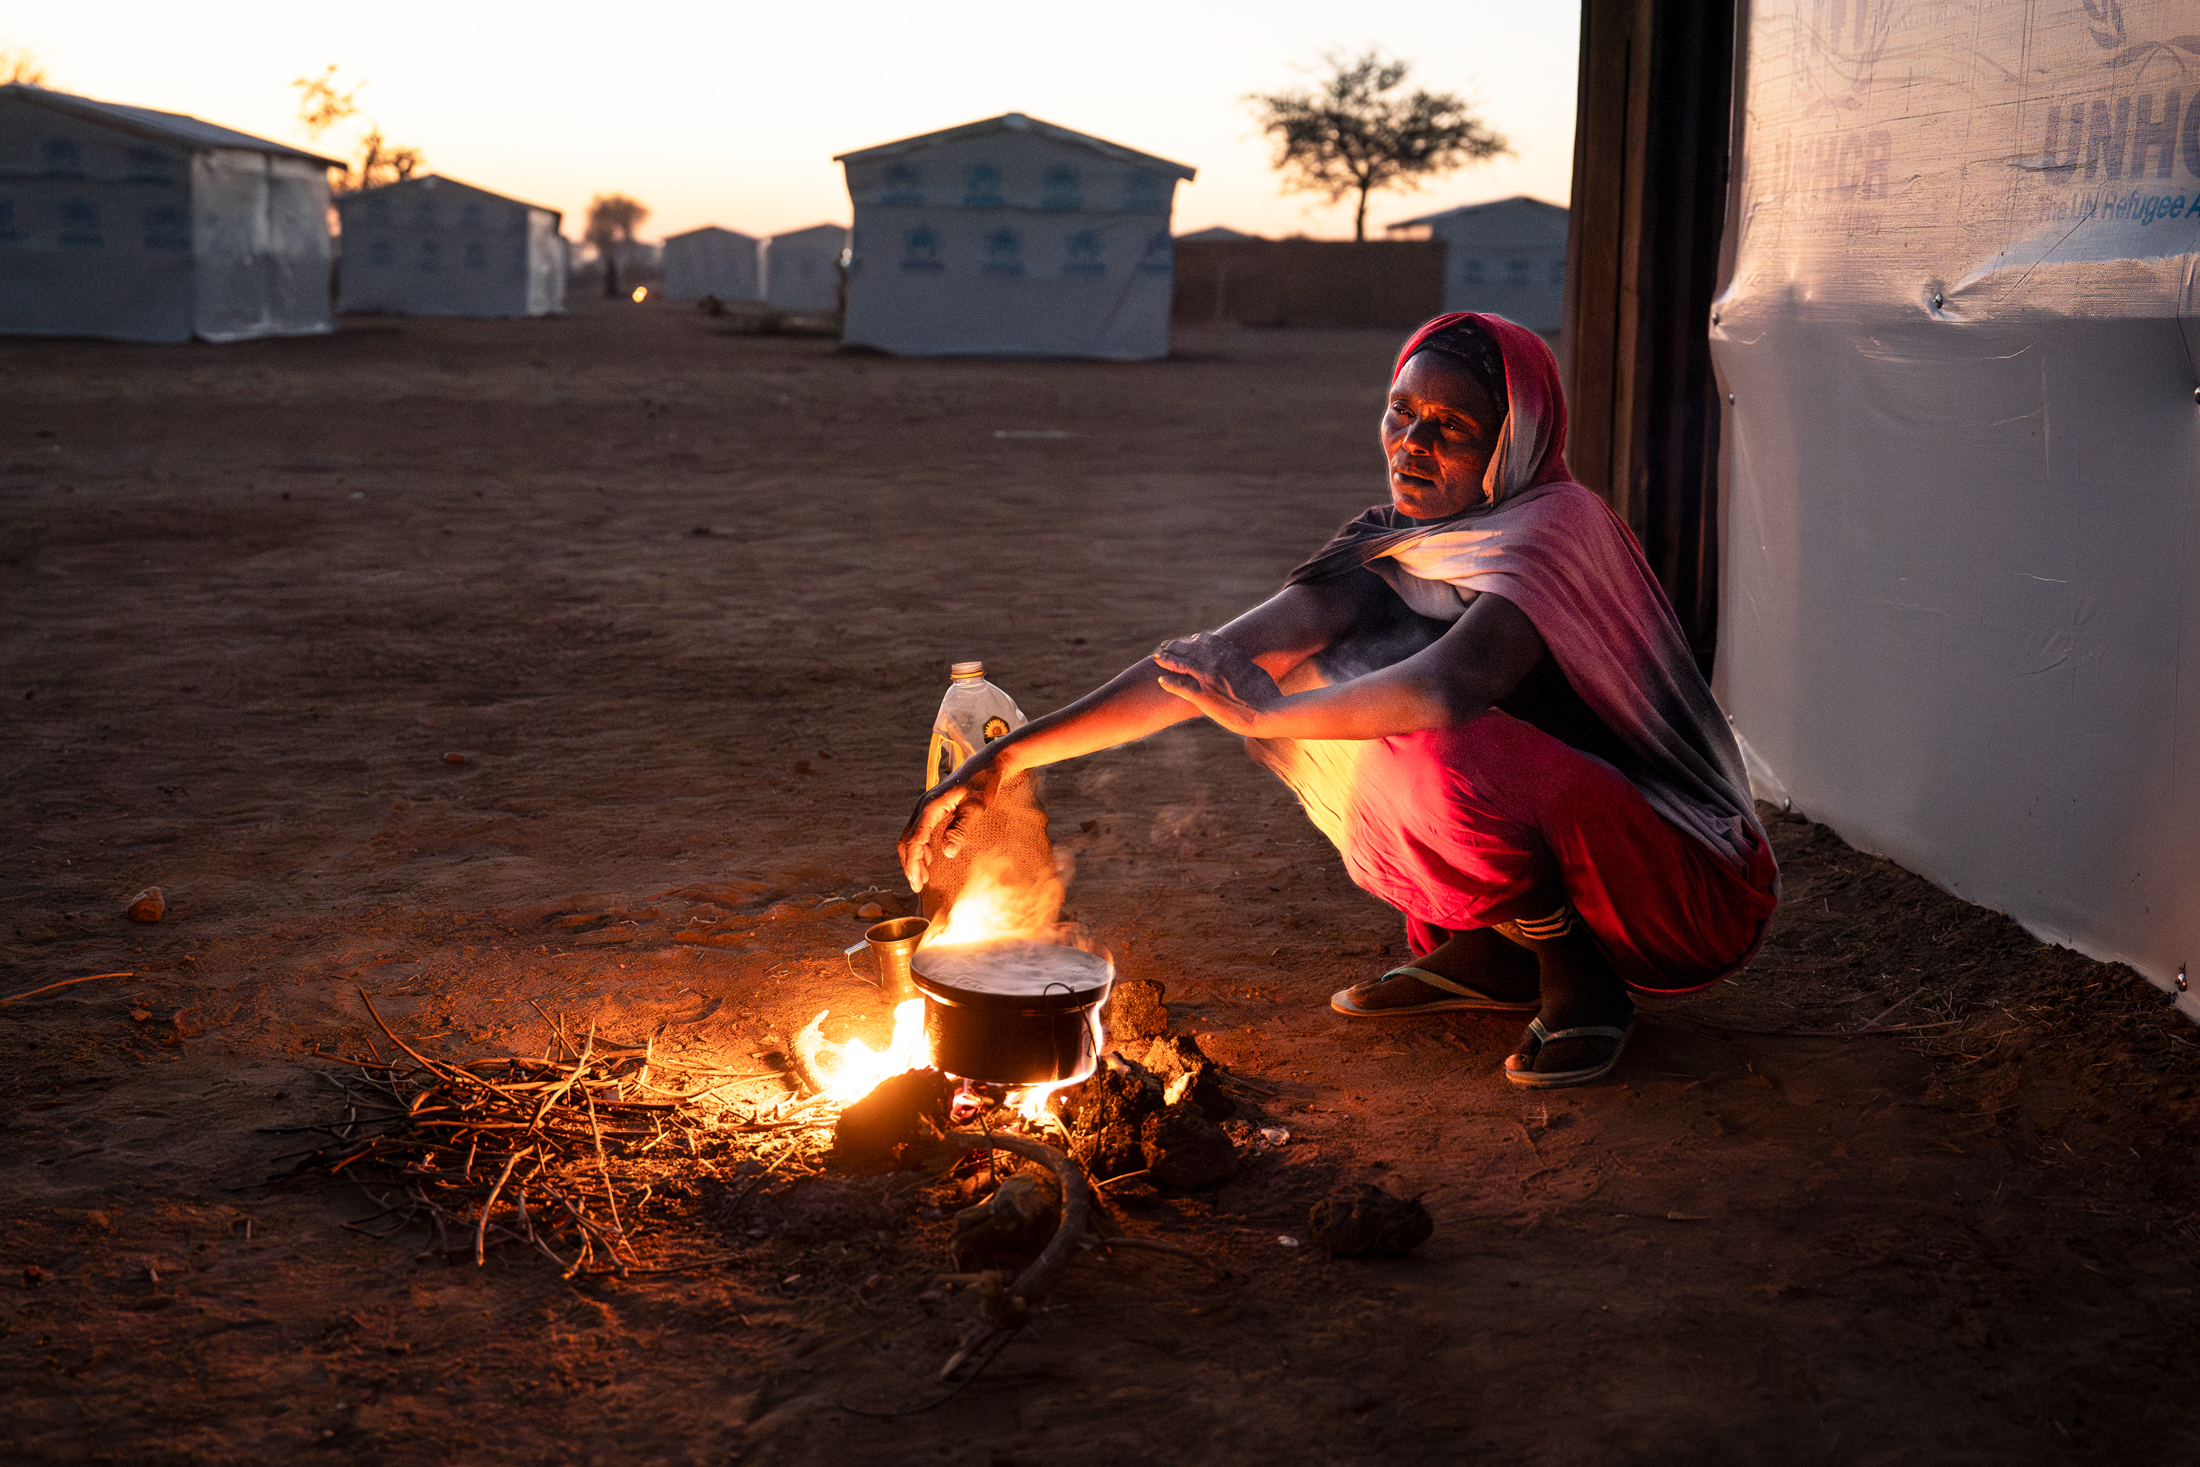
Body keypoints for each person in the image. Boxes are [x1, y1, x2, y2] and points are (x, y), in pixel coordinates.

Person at [900, 313, 1778, 1088]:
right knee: (1299, 683)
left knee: (1412, 730)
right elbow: (1211, 664)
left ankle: (1577, 972)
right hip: (1576, 838)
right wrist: (1003, 759)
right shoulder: (1397, 543)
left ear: (1512, 442)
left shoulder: (1555, 530)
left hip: (1680, 881)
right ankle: (1508, 945)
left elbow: (1449, 687)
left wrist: (1265, 714)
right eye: (1402, 412)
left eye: (1452, 428)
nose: (1411, 445)